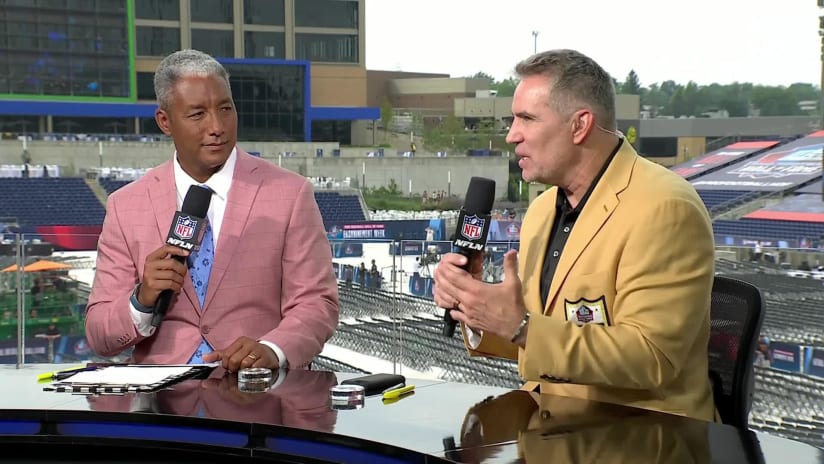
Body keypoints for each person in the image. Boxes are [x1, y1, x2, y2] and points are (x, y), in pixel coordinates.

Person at [433, 49, 716, 421]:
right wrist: (478, 308)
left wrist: (521, 327)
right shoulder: (540, 211)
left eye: (527, 119)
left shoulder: (665, 207)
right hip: (553, 432)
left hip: (645, 438)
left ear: (580, 125)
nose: (511, 135)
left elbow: (651, 357)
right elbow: (538, 337)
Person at [85, 49, 339, 372]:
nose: (217, 126)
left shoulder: (290, 194)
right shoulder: (126, 206)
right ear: (165, 121)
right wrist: (142, 298)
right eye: (198, 114)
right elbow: (99, 332)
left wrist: (273, 349)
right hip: (161, 409)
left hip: (255, 398)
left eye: (225, 109)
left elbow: (317, 303)